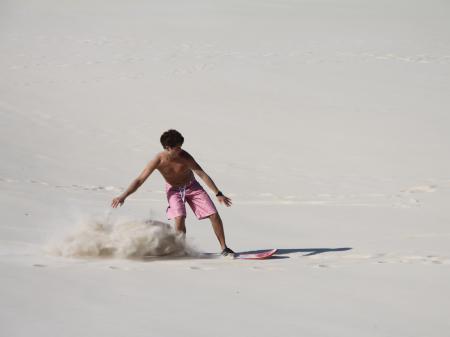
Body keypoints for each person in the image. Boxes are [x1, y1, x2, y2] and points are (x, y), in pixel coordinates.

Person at [111, 129, 235, 257]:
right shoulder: (158, 160)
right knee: (179, 217)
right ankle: (181, 249)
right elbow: (140, 179)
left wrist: (218, 193)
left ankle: (224, 247)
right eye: (177, 148)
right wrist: (123, 196)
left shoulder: (185, 157)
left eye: (181, 147)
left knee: (213, 214)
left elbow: (201, 174)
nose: (180, 150)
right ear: (168, 148)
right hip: (173, 190)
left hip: (192, 187)